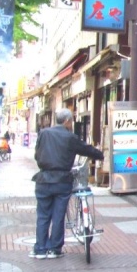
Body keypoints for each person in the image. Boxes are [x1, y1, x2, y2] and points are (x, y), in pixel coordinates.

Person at [30, 108, 104, 259]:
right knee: (58, 215)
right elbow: (86, 149)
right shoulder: (70, 137)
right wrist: (100, 154)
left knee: (43, 215)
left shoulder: (44, 133)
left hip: (43, 179)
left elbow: (37, 155)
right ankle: (55, 249)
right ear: (67, 121)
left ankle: (40, 249)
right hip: (62, 180)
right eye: (71, 121)